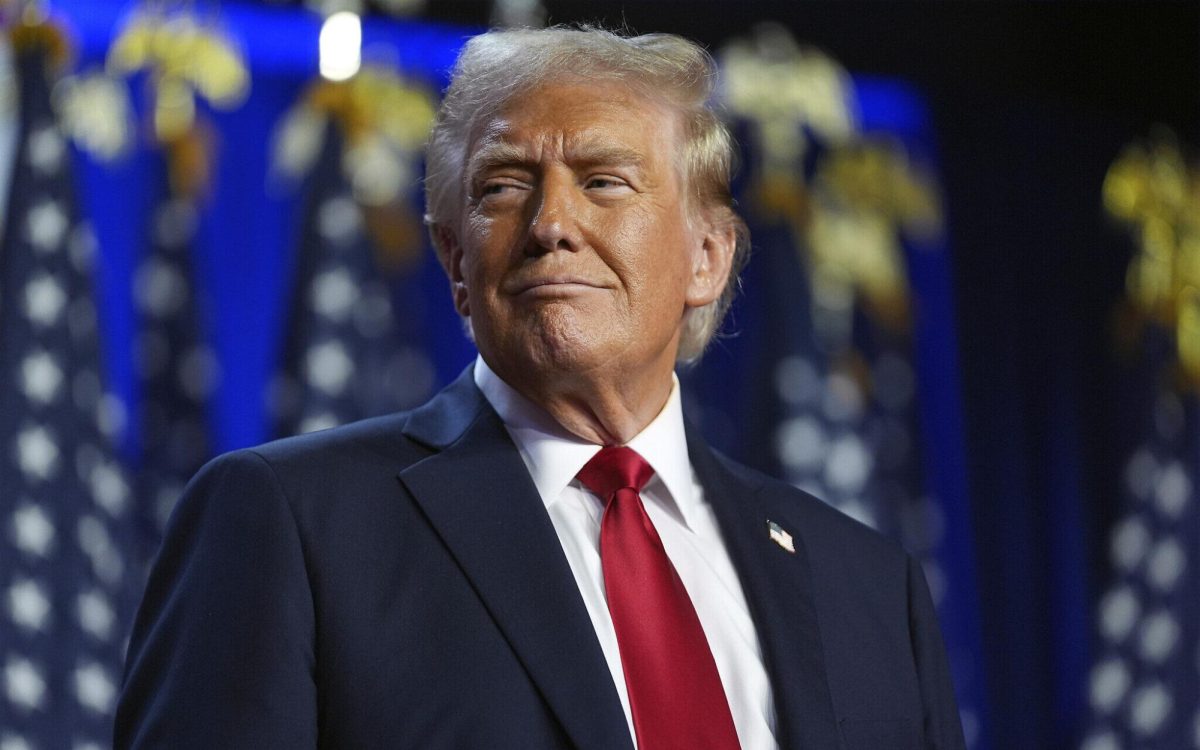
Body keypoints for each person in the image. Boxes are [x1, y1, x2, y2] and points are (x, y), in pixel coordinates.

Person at [115, 26, 966, 750]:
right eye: (504, 186)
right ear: (455, 261)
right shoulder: (292, 523)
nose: (552, 225)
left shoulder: (865, 585)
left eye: (603, 181)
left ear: (707, 257)